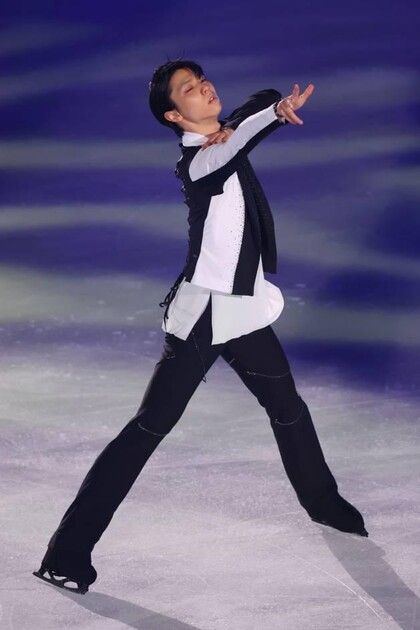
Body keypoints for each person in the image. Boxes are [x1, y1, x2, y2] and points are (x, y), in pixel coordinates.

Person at [33, 58, 368, 595]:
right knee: (148, 429)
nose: (204, 87)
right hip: (205, 316)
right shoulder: (199, 164)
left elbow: (260, 96)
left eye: (202, 79)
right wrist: (274, 115)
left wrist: (262, 109)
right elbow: (247, 134)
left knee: (288, 407)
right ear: (174, 114)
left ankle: (323, 504)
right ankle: (66, 554)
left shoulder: (225, 135)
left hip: (242, 311)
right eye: (189, 88)